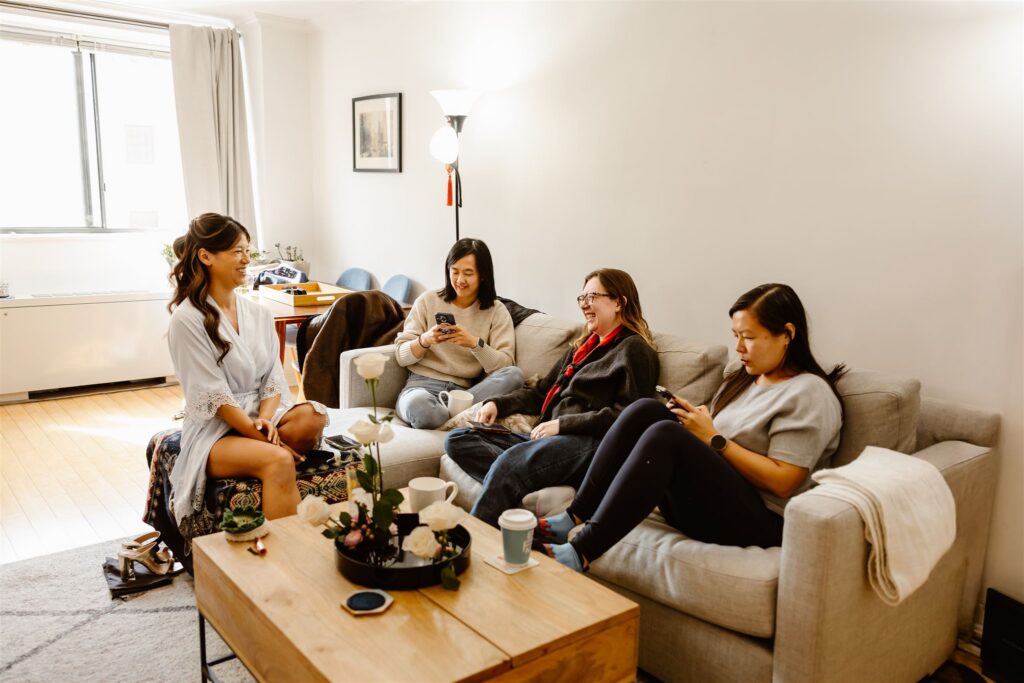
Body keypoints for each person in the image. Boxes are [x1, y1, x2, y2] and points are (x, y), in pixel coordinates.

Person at [539, 283, 845, 572]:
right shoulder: (746, 378)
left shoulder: (809, 393)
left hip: (761, 521)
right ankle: (573, 515)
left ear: (787, 334)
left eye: (749, 337)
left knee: (666, 436)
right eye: (735, 335)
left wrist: (713, 439)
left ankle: (581, 552)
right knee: (646, 410)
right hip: (709, 502)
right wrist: (697, 424)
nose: (738, 347)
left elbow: (784, 481)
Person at [445, 268, 660, 526]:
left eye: (592, 297)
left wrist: (562, 425)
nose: (585, 305)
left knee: (510, 464)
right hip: (548, 442)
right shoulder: (582, 347)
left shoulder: (634, 349)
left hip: (589, 445)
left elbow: (628, 419)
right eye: (582, 299)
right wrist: (496, 404)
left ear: (618, 302)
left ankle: (475, 544)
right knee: (458, 440)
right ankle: (534, 482)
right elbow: (540, 394)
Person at [167, 213, 328, 526]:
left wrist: (265, 421)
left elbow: (273, 378)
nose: (246, 259)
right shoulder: (187, 320)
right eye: (236, 252)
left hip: (260, 415)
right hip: (217, 428)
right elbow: (215, 396)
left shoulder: (258, 313)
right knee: (279, 459)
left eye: (247, 250)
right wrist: (263, 438)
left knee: (314, 417)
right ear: (206, 256)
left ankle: (261, 448)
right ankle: (285, 554)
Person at [394, 238, 524, 429]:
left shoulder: (497, 311)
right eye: (454, 272)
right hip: (421, 388)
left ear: (482, 275)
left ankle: (451, 418)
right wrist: (425, 340)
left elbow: (504, 364)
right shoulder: (427, 300)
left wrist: (474, 344)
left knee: (515, 375)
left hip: (467, 393)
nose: (460, 280)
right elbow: (401, 356)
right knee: (419, 406)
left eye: (468, 273)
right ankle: (458, 419)